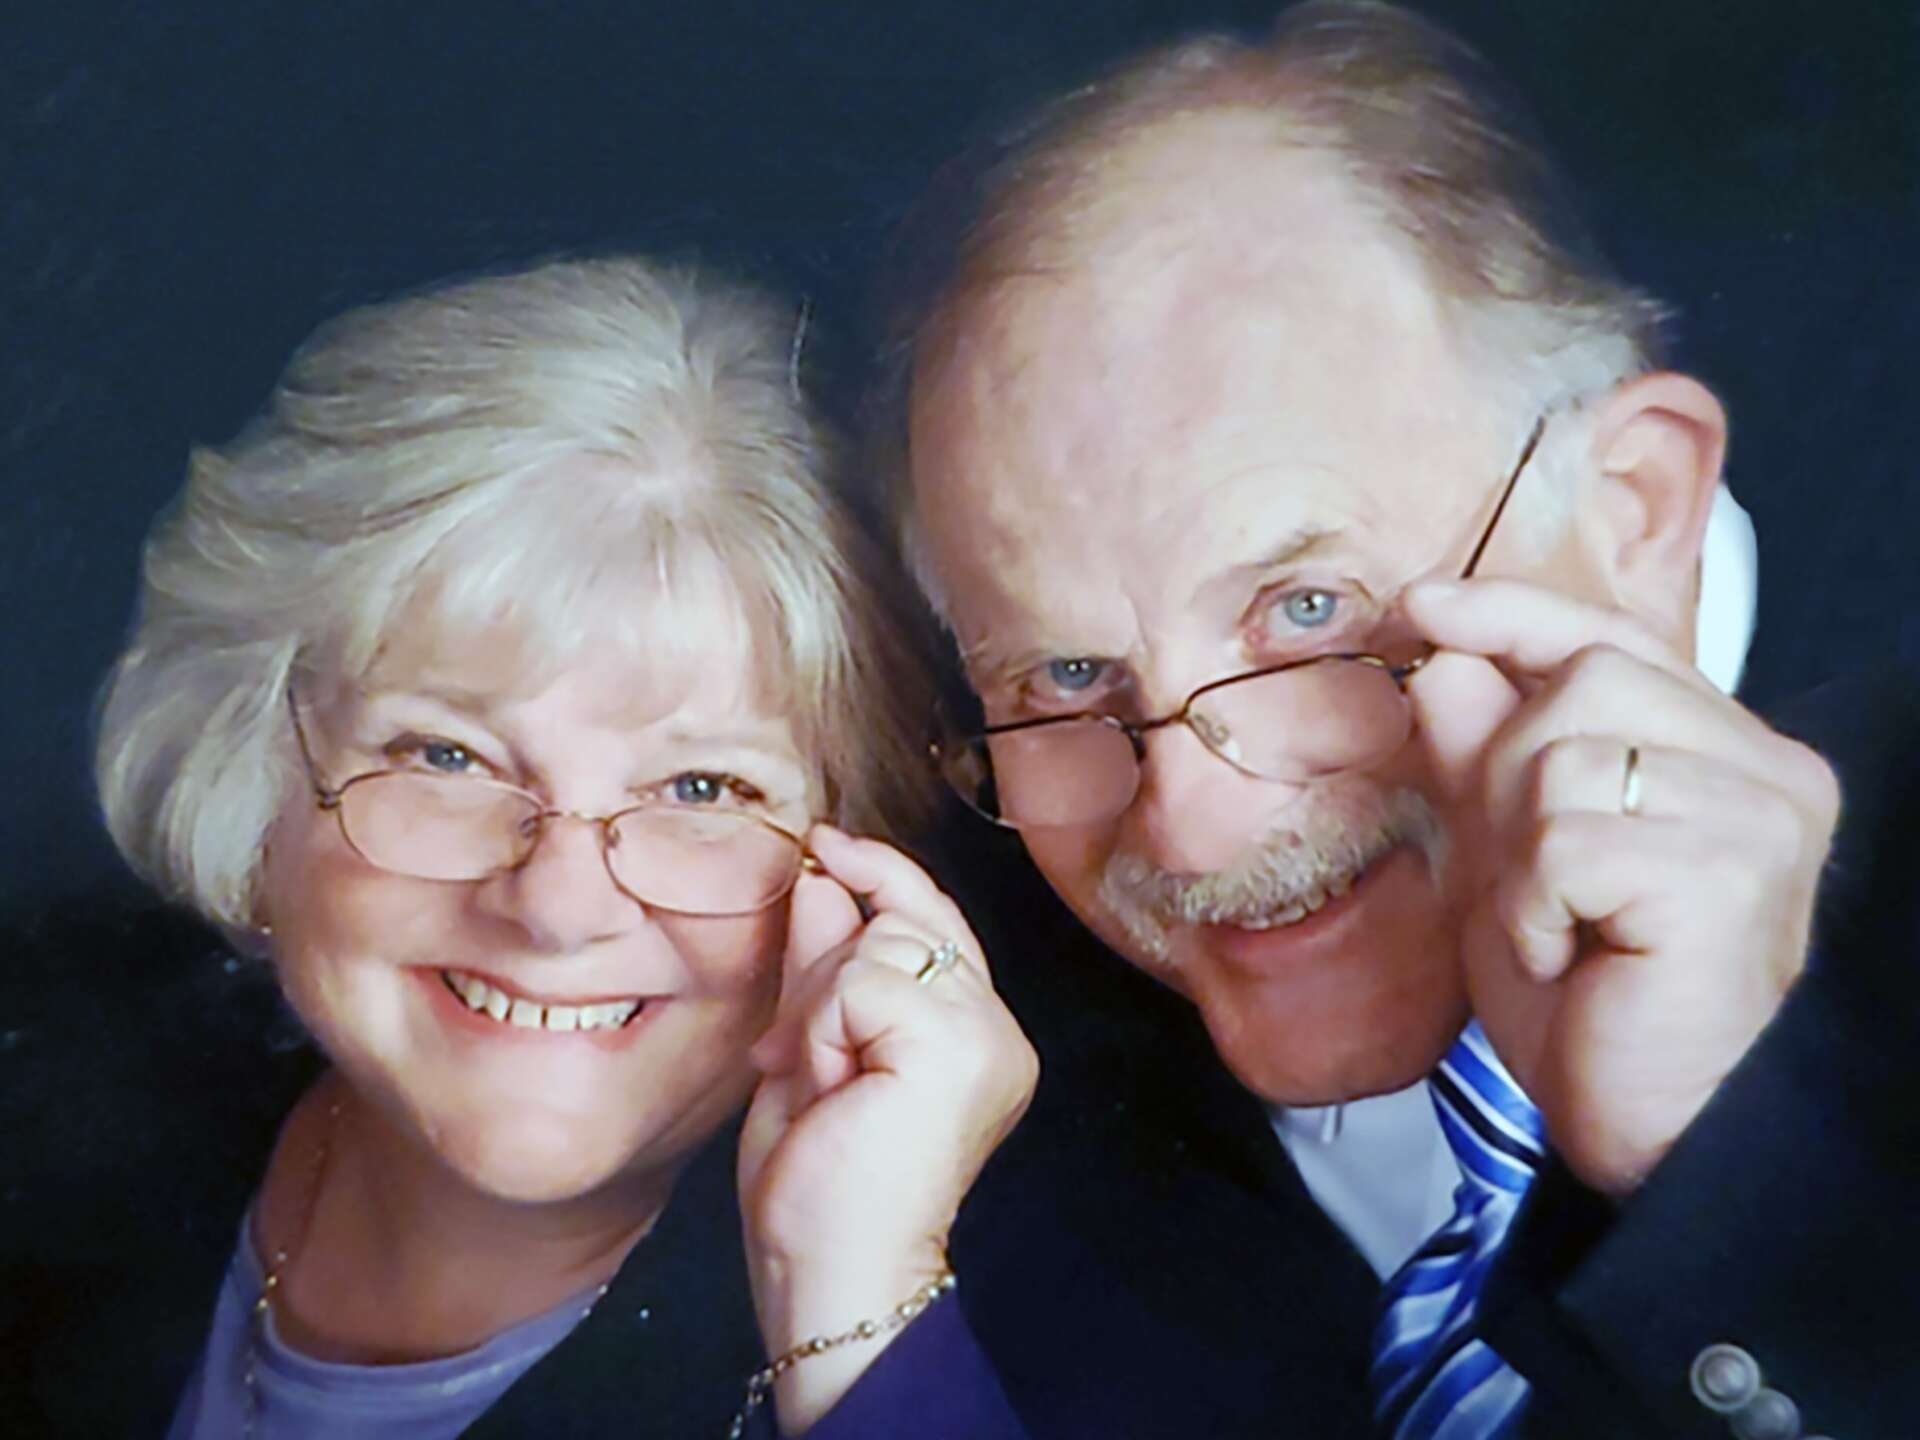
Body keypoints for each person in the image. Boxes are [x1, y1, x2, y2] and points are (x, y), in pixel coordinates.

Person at [874, 4, 1919, 1437]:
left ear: (1633, 507)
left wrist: (1723, 1166)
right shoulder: (948, 1092)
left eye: (1307, 611)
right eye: (1063, 675)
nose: (1192, 826)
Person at [0, 255, 1039, 1438]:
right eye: (448, 757)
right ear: (252, 763)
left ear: (863, 859)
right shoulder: (56, 1094)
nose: (557, 905)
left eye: (702, 788)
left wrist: (850, 1308)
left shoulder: (1025, 1334)